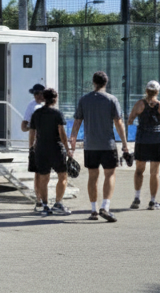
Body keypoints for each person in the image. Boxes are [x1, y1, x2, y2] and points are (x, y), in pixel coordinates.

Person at [68, 70, 129, 223]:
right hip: (107, 145)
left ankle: (94, 210)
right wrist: (125, 145)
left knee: (92, 177)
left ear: (93, 82)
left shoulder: (84, 100)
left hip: (90, 145)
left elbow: (76, 124)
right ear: (106, 83)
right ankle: (105, 207)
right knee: (110, 175)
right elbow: (118, 123)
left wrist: (72, 144)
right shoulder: (111, 99)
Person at [126, 80, 160, 209]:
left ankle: (137, 198)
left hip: (142, 140)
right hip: (156, 141)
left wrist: (139, 119)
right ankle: (152, 201)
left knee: (139, 171)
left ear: (146, 90)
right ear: (158, 91)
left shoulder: (139, 104)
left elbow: (130, 121)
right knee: (154, 173)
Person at [28, 87, 71, 216]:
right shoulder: (57, 114)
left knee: (43, 178)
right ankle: (58, 203)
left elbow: (32, 133)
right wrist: (68, 149)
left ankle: (45, 205)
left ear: (44, 98)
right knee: (62, 176)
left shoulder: (37, 113)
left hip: (41, 149)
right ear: (55, 98)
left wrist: (31, 148)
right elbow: (62, 134)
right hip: (56, 149)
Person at [22, 83, 47, 211]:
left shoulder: (48, 105)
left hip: (49, 143)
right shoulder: (32, 106)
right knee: (38, 173)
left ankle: (46, 199)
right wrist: (33, 127)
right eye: (35, 93)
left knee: (46, 173)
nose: (37, 96)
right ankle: (38, 200)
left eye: (39, 93)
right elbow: (23, 126)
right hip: (37, 144)